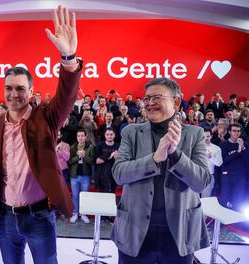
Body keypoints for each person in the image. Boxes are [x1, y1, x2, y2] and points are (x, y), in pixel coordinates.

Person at [0, 5, 80, 264]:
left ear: (31, 90)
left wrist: (69, 57)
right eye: (8, 88)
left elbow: (66, 96)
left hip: (38, 216)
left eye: (20, 88)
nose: (14, 94)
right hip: (5, 217)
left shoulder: (45, 117)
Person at [111, 77, 211, 263]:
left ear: (176, 101)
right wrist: (154, 159)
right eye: (147, 98)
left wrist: (175, 154)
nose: (149, 103)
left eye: (156, 97)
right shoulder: (131, 132)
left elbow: (202, 182)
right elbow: (119, 174)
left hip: (179, 232)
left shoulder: (194, 134)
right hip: (135, 231)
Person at [219, 123, 249, 210]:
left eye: (238, 131)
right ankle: (221, 221)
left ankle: (234, 222)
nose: (236, 133)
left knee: (238, 200)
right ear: (229, 132)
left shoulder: (245, 144)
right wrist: (238, 152)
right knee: (224, 198)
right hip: (227, 175)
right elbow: (224, 160)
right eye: (234, 131)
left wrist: (242, 149)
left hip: (241, 176)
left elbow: (247, 159)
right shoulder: (223, 144)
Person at [68, 129, 95, 224]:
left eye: (82, 136)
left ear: (85, 136)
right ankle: (75, 213)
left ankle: (83, 214)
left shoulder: (90, 147)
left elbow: (92, 161)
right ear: (76, 137)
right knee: (75, 196)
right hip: (74, 175)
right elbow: (70, 162)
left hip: (85, 175)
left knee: (84, 196)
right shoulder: (72, 147)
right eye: (78, 136)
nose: (80, 137)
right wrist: (78, 157)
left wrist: (84, 156)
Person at [94, 127, 119, 194]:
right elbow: (97, 161)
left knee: (112, 195)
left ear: (114, 135)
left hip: (114, 175)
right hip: (102, 175)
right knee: (102, 196)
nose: (109, 136)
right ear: (105, 135)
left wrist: (118, 158)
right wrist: (109, 157)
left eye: (111, 134)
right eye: (107, 134)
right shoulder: (100, 145)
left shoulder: (118, 146)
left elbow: (120, 161)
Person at [201, 128, 223, 197]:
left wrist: (211, 157)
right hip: (196, 174)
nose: (206, 138)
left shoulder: (216, 148)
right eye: (203, 136)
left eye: (208, 136)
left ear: (211, 136)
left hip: (209, 175)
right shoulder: (195, 147)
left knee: (205, 197)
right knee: (193, 198)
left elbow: (219, 163)